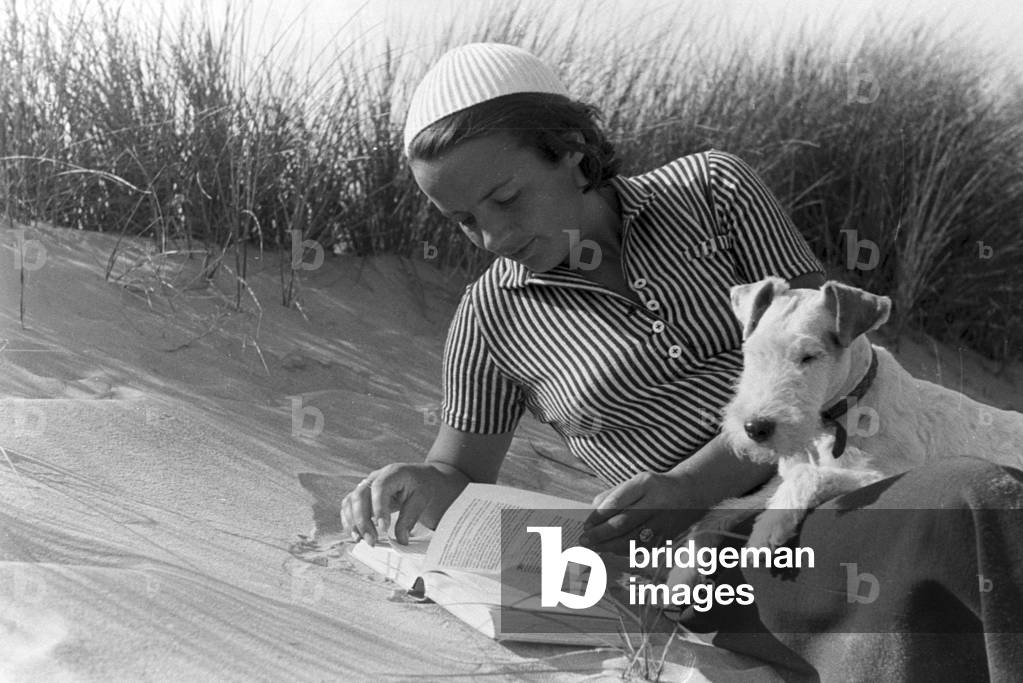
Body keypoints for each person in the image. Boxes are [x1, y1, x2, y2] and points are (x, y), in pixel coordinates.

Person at [340, 43, 1023, 681]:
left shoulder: (711, 191)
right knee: (967, 504)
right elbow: (459, 470)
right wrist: (420, 482)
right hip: (715, 558)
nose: (493, 236)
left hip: (839, 480)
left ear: (572, 153)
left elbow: (834, 363)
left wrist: (684, 480)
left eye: (506, 198)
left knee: (981, 500)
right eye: (462, 221)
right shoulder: (490, 318)